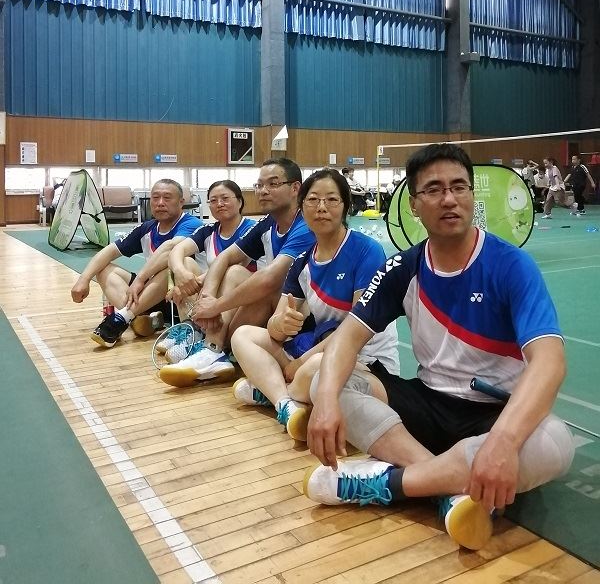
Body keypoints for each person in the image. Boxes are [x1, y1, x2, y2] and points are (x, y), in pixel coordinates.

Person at [303, 143, 574, 551]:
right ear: (414, 205)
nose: (449, 198)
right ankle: (445, 484)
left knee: (557, 444)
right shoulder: (403, 267)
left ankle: (390, 483)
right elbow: (347, 338)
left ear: (471, 195)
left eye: (459, 187)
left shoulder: (511, 265)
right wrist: (325, 402)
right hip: (427, 404)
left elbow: (549, 362)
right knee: (327, 383)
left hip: (494, 414)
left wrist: (502, 441)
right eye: (433, 189)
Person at [230, 168, 399, 441]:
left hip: (367, 362)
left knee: (315, 368)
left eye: (331, 199)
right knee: (243, 335)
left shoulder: (367, 251)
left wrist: (301, 362)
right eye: (313, 200)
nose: (321, 207)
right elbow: (275, 328)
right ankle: (287, 404)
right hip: (320, 351)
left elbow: (354, 331)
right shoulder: (303, 262)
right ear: (302, 206)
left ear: (345, 206)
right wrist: (280, 323)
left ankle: (274, 391)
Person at [158, 158, 316, 386]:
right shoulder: (267, 224)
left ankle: (213, 347)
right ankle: (213, 348)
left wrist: (216, 307)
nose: (263, 191)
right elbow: (225, 257)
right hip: (264, 313)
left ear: (295, 188)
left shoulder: (305, 225)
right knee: (232, 271)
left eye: (273, 184)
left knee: (264, 284)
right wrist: (207, 300)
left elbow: (271, 278)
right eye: (259, 185)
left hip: (298, 315)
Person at [125, 180, 258, 361]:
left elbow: (231, 266)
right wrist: (180, 274)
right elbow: (176, 250)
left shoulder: (251, 229)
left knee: (231, 272)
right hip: (216, 297)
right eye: (213, 200)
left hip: (246, 301)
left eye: (225, 198)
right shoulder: (208, 230)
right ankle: (191, 331)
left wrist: (190, 284)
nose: (219, 204)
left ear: (240, 201)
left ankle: (209, 343)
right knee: (185, 262)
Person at [70, 179, 202, 348]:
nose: (160, 203)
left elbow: (170, 249)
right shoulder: (146, 228)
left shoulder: (192, 224)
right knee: (104, 269)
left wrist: (140, 279)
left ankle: (123, 317)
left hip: (184, 294)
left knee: (178, 263)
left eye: (167, 198)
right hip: (154, 296)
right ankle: (142, 319)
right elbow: (109, 252)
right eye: (155, 198)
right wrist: (84, 279)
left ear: (181, 202)